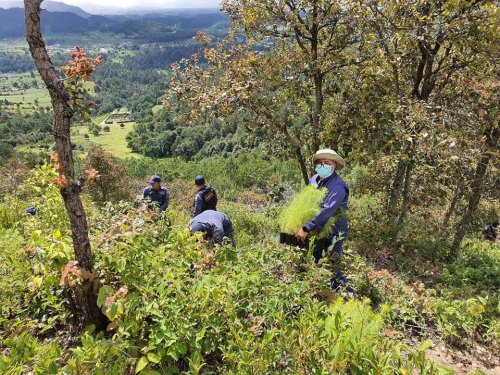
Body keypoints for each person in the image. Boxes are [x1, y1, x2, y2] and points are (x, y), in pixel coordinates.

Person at [295, 148, 349, 290]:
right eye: (320, 162)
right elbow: (306, 202)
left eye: (327, 162)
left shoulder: (338, 186)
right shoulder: (314, 179)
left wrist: (306, 227)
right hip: (316, 229)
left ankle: (348, 295)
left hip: (333, 232)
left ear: (334, 165)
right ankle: (317, 291)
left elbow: (327, 211)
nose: (323, 165)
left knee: (331, 265)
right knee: (315, 259)